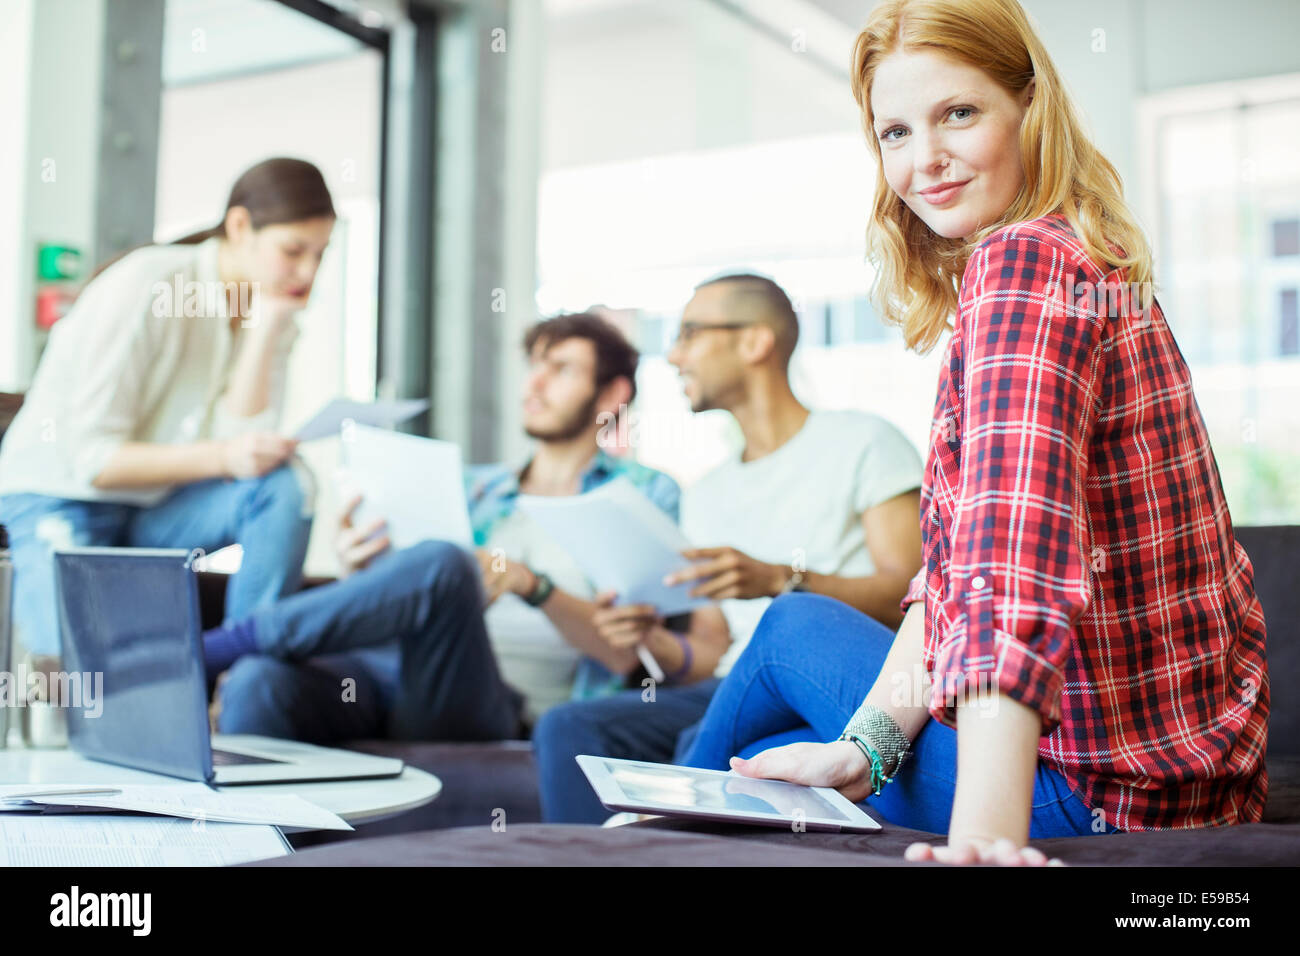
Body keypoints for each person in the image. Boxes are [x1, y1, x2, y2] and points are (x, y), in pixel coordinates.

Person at [680, 0, 1269, 866]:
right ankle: (662, 817)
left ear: (1031, 109)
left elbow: (1008, 567)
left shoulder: (1023, 267)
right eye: (895, 133)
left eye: (958, 113)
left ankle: (631, 836)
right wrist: (869, 748)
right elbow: (955, 571)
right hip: (1193, 780)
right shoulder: (1090, 256)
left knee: (793, 628)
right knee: (801, 678)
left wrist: (984, 842)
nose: (926, 162)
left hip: (1094, 796)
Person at [210, 313, 732, 742]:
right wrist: (361, 565)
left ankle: (215, 646)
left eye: (562, 370)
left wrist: (532, 585)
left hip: (486, 699)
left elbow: (625, 649)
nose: (535, 384)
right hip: (386, 672)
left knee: (445, 562)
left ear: (611, 394)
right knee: (261, 681)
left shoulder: (642, 494)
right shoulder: (475, 488)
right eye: (534, 366)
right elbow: (411, 593)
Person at [532, 273, 924, 823]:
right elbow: (710, 651)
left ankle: (637, 845)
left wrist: (780, 579)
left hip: (828, 685)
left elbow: (912, 596)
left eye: (690, 333)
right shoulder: (707, 492)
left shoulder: (863, 441)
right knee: (570, 726)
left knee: (726, 735)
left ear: (754, 342)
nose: (672, 356)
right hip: (730, 686)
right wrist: (647, 638)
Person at [0, 157, 334, 660]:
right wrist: (226, 457)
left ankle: (248, 677)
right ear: (240, 227)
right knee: (79, 677)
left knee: (287, 484)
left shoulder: (274, 310)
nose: (307, 273)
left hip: (155, 507)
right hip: (62, 497)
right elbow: (93, 460)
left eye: (320, 255)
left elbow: (244, 446)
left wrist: (265, 329)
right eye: (293, 251)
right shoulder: (150, 285)